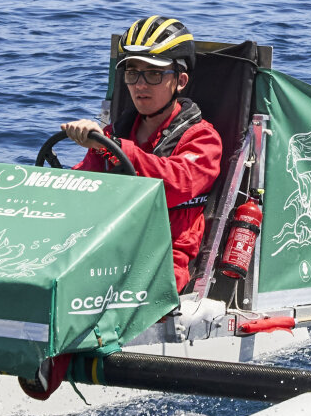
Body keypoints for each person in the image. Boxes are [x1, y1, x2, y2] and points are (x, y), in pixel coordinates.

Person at [59, 15, 222, 293]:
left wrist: (112, 147)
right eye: (132, 73)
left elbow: (175, 184)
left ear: (180, 80)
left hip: (162, 260)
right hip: (108, 246)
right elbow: (84, 186)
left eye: (154, 74)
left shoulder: (203, 139)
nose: (140, 85)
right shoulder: (116, 132)